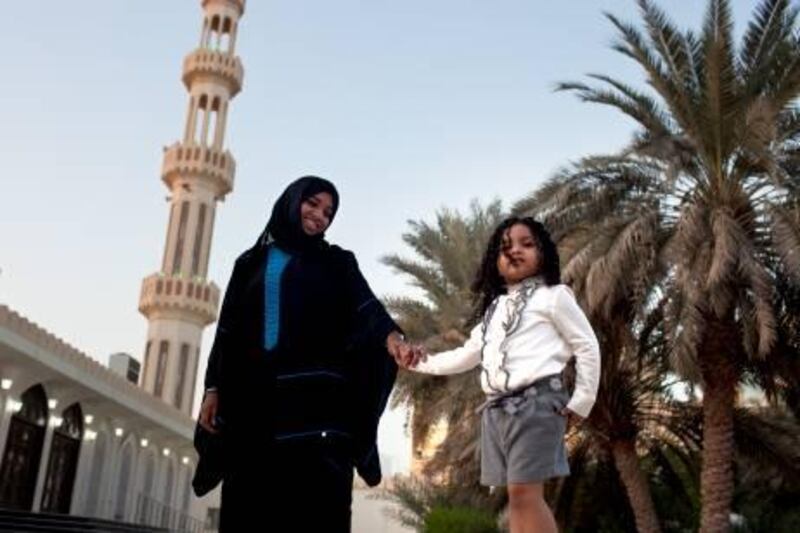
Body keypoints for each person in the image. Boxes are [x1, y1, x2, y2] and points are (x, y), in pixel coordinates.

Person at [195, 176, 417, 532]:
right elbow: (227, 331)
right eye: (312, 203)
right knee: (249, 508)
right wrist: (213, 388)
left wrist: (393, 339)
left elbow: (366, 307)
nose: (319, 216)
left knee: (316, 512)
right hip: (253, 410)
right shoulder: (248, 263)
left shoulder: (337, 262)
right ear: (291, 200)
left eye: (328, 212)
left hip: (314, 416)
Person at [405, 216, 600, 533]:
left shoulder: (554, 296)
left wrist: (582, 401)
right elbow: (466, 356)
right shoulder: (493, 311)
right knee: (517, 496)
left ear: (543, 253)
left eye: (527, 244)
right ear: (493, 262)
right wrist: (418, 363)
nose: (515, 251)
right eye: (505, 247)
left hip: (538, 402)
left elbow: (587, 346)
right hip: (497, 411)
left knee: (525, 492)